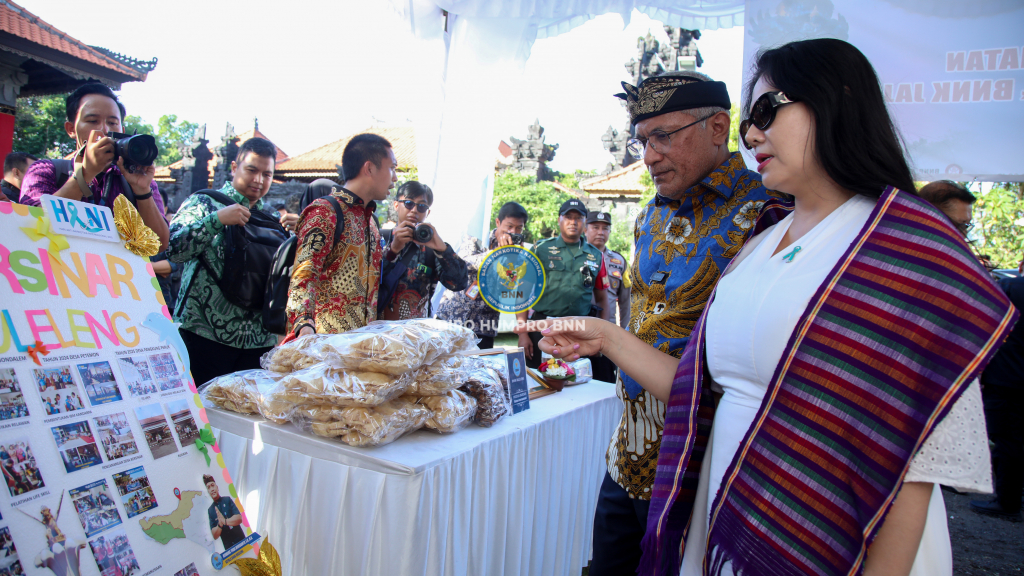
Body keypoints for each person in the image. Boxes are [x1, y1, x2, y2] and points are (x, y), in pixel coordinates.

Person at [524, 38, 1014, 576]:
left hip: (821, 524)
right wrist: (607, 337)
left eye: (766, 112)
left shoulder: (898, 249)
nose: (752, 133)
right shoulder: (763, 240)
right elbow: (706, 387)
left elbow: (910, 458)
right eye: (643, 139)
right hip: (709, 497)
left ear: (835, 102)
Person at [579, 71, 776, 575]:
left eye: (664, 136)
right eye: (642, 141)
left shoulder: (768, 215)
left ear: (718, 128)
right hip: (626, 453)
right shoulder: (650, 214)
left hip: (698, 463)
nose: (648, 156)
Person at [167, 138, 280, 388]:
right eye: (252, 170)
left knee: (244, 413)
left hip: (257, 341)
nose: (258, 180)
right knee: (198, 408)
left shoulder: (272, 218)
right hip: (203, 333)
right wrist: (216, 220)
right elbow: (173, 248)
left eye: (267, 174)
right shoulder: (204, 203)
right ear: (234, 167)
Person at [19, 83, 168, 250]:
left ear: (122, 129)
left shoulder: (137, 180)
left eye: (112, 122)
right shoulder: (45, 170)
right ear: (71, 129)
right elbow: (30, 225)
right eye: (92, 121)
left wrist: (142, 191)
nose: (104, 129)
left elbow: (159, 245)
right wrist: (85, 174)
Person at [286, 134, 395, 336]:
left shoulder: (371, 221)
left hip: (361, 346)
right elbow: (303, 276)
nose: (394, 178)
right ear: (370, 168)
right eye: (392, 168)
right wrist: (304, 324)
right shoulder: (325, 212)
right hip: (324, 345)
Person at [518, 198, 609, 369]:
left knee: (575, 379)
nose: (573, 222)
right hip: (542, 328)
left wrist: (603, 336)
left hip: (579, 331)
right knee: (538, 378)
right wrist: (523, 334)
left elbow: (602, 299)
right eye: (568, 217)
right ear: (559, 219)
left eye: (578, 218)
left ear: (585, 222)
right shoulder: (540, 249)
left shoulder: (596, 256)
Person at [436, 201, 529, 349]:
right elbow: (463, 264)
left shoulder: (518, 256)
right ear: (498, 222)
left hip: (484, 325)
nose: (513, 232)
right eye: (509, 226)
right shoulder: (477, 237)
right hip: (451, 315)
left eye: (519, 228)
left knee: (480, 363)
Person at [971, 267, 1024, 522]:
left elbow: (986, 316)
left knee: (1006, 439)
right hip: (1014, 376)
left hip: (1007, 377)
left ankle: (1008, 500)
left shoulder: (1013, 288)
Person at [378, 181, 469, 320]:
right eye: (409, 203)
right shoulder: (380, 238)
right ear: (396, 205)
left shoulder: (431, 249)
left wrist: (442, 249)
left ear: (428, 212)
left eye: (421, 206)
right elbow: (367, 280)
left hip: (416, 330)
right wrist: (393, 250)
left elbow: (459, 283)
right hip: (378, 328)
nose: (414, 210)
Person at [585, 211, 630, 383]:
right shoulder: (576, 257)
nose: (600, 232)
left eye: (605, 228)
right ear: (585, 229)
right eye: (595, 227)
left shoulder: (619, 261)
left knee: (605, 381)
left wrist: (626, 335)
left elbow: (626, 302)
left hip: (607, 333)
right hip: (580, 329)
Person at [204, 474, 245, 551]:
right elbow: (215, 535)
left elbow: (239, 518)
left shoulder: (227, 500)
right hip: (229, 550)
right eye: (208, 487)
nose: (212, 489)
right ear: (208, 492)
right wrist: (220, 524)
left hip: (242, 543)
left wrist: (225, 521)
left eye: (212, 485)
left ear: (217, 487)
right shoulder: (211, 510)